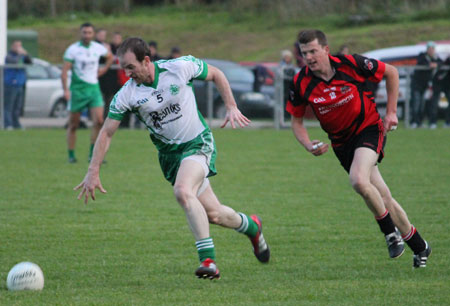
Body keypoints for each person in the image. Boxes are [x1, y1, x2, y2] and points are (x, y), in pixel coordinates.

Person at [73, 37, 270, 279]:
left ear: (146, 61)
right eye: (123, 68)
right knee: (215, 214)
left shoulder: (178, 68)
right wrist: (93, 170)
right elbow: (107, 132)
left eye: (131, 67)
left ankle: (208, 261)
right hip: (170, 158)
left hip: (198, 143)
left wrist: (230, 105)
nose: (126, 73)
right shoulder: (127, 94)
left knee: (183, 191)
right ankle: (252, 226)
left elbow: (217, 74)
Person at [286, 29, 431, 268]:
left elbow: (391, 73)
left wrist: (392, 113)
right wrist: (307, 143)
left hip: (368, 129)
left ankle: (390, 233)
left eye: (313, 51)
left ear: (325, 49)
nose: (309, 57)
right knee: (382, 195)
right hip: (342, 144)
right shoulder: (301, 82)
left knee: (358, 180)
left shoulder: (350, 64)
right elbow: (296, 121)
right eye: (304, 53)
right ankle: (419, 245)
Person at [61, 22, 114, 163]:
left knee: (99, 121)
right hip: (77, 90)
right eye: (84, 32)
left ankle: (93, 154)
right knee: (73, 124)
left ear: (93, 34)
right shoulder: (72, 49)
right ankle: (71, 155)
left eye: (89, 32)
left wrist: (104, 69)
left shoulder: (98, 48)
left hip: (93, 89)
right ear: (81, 33)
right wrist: (66, 90)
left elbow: (110, 57)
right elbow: (65, 71)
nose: (87, 35)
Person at [409, 41, 440, 128]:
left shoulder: (435, 57)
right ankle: (414, 122)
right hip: (417, 85)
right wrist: (430, 64)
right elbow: (422, 62)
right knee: (416, 104)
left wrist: (436, 64)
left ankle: (420, 122)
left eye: (432, 49)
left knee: (423, 105)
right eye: (429, 49)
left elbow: (441, 62)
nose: (431, 50)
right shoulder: (422, 55)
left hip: (426, 86)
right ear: (427, 49)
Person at [3, 40, 32, 130]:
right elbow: (14, 62)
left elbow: (30, 61)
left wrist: (26, 54)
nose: (19, 48)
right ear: (13, 46)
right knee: (9, 105)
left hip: (20, 84)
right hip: (10, 84)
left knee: (17, 106)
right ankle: (8, 124)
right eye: (17, 46)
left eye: (20, 46)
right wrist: (20, 54)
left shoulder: (22, 56)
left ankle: (16, 123)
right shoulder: (9, 56)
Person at [428, 56, 450, 128]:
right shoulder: (442, 59)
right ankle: (432, 123)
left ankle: (448, 122)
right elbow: (441, 62)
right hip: (437, 84)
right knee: (434, 103)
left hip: (447, 85)